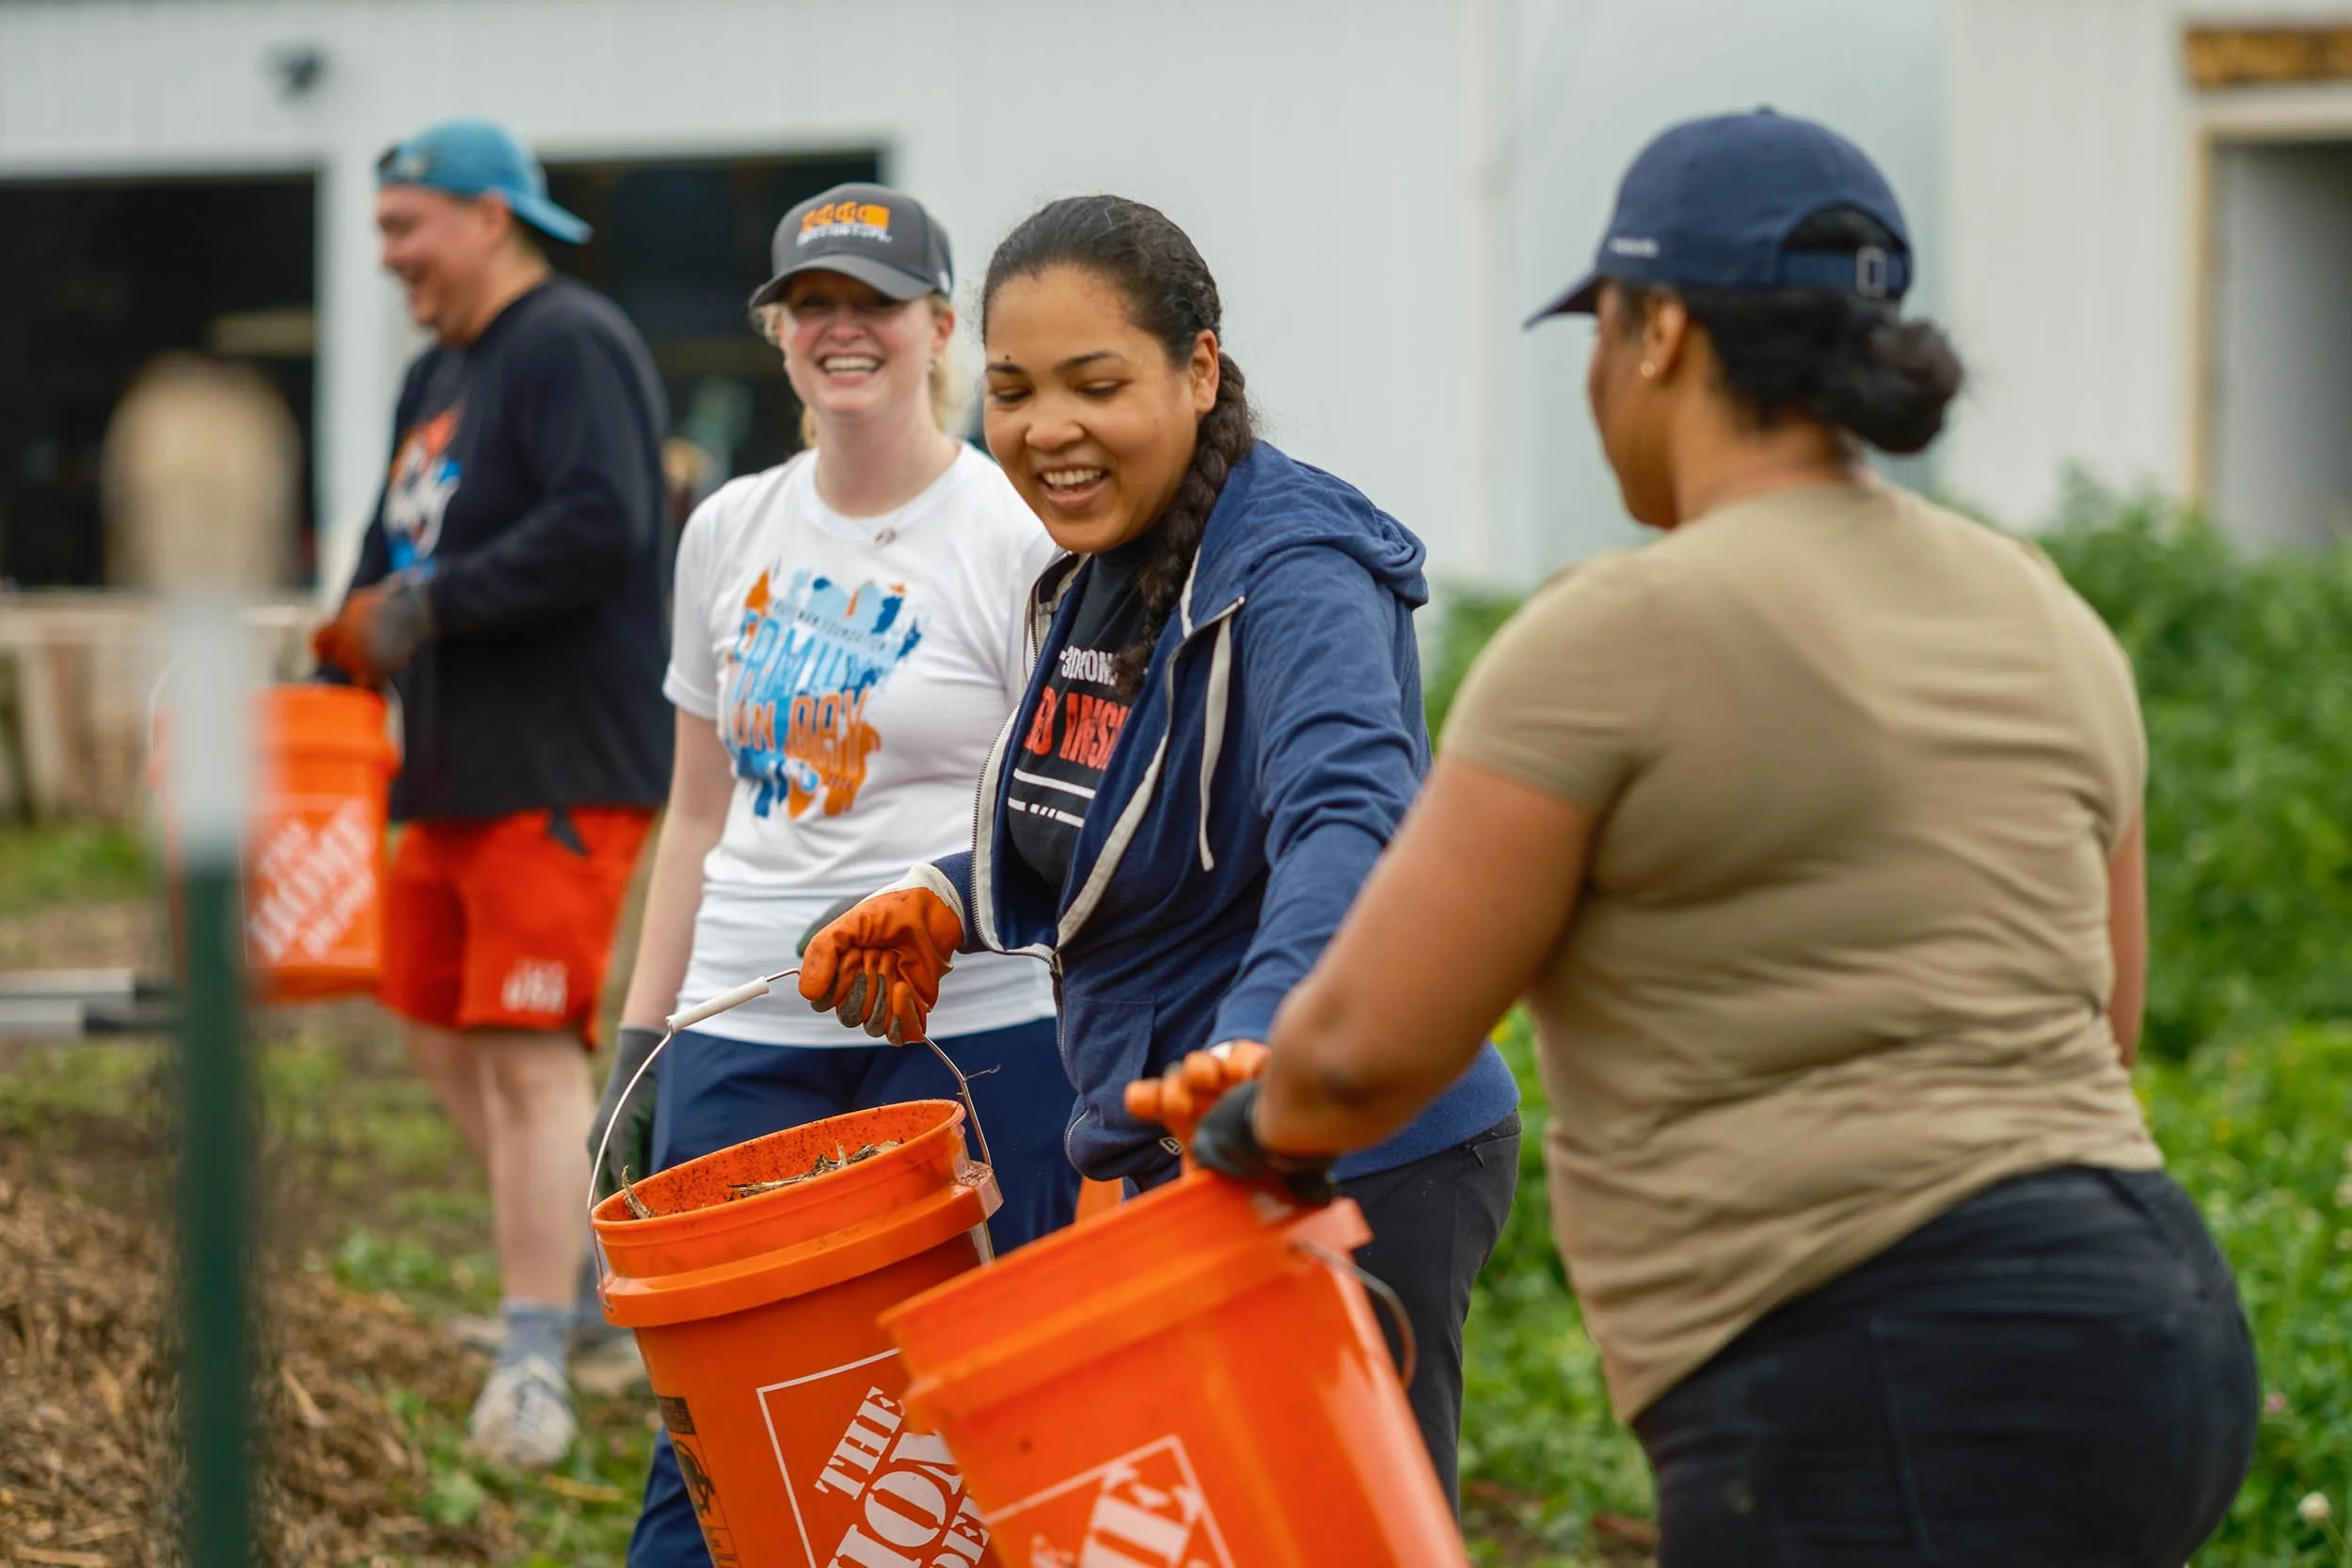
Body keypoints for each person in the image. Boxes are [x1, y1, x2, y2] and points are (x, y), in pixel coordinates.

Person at [1188, 109, 2260, 1566]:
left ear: (1659, 332)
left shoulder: (1616, 630)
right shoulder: (2043, 610)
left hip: (1875, 1356)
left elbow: (1367, 1047)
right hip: (2157, 1332)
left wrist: (1249, 1127)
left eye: (1599, 326)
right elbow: (2105, 1021)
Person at [798, 195, 1524, 1503]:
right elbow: (1137, 817)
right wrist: (945, 894)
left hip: (1334, 1140)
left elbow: (1345, 820)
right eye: (1012, 392)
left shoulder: (1295, 566)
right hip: (1174, 1139)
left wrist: (1261, 1047)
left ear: (1198, 368)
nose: (1045, 430)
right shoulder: (1105, 564)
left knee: (1329, 1522)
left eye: (1096, 382)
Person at [602, 182, 1073, 1568]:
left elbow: (1058, 807)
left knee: (974, 1402)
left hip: (975, 1028)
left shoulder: (1013, 536)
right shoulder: (727, 529)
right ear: (777, 331)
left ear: (940, 327)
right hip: (744, 1024)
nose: (843, 328)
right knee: (719, 1408)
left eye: (875, 302)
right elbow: (695, 815)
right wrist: (643, 1036)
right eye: (814, 302)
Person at [312, 119, 672, 1469]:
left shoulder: (570, 343)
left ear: (489, 217)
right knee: (427, 1019)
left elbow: (602, 525)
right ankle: (574, 1289)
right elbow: (384, 553)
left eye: (408, 226)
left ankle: (539, 1353)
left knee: (527, 1054)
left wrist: (428, 605)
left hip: (561, 767)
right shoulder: (437, 373)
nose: (392, 254)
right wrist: (339, 650)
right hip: (448, 774)